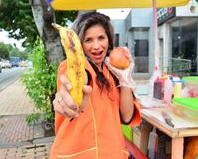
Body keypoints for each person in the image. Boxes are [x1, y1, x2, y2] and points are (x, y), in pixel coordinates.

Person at [50, 12, 141, 159]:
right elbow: (77, 79)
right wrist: (63, 99)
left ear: (109, 39)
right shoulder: (74, 67)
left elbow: (127, 116)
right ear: (80, 43)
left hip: (113, 153)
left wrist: (124, 78)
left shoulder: (111, 71)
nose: (96, 46)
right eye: (88, 40)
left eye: (101, 38)